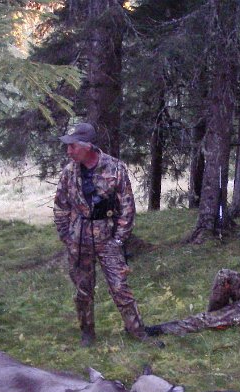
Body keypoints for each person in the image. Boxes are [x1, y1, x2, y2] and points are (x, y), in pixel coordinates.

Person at [54, 122, 160, 347]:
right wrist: (67, 236)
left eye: (73, 146)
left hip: (108, 239)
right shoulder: (68, 173)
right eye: (68, 146)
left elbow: (127, 208)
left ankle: (137, 331)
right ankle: (87, 333)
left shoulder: (115, 168)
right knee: (83, 290)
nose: (69, 151)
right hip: (78, 240)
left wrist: (119, 239)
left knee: (120, 287)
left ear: (87, 146)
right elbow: (61, 207)